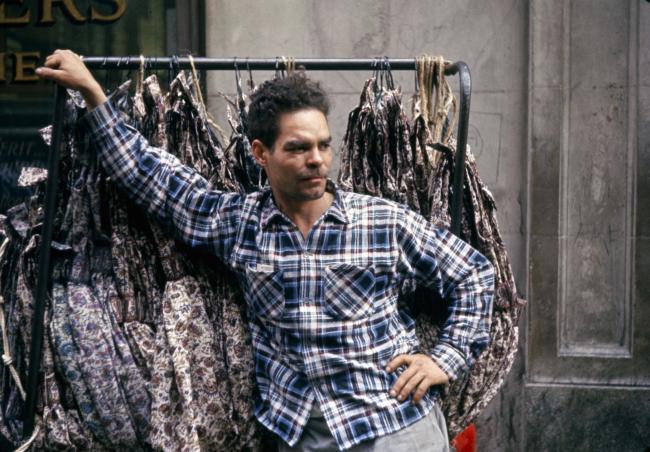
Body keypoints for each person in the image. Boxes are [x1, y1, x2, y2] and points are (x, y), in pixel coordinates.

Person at [36, 49, 494, 452]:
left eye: (323, 146)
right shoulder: (240, 225)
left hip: (395, 427)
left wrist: (444, 359)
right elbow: (151, 177)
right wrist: (94, 94)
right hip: (301, 433)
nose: (316, 159)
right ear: (260, 153)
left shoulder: (383, 221)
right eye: (297, 148)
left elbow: (473, 274)